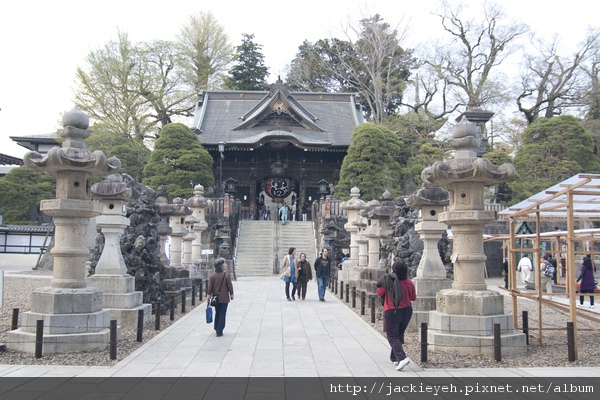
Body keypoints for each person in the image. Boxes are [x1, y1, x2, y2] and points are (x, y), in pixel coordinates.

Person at [376, 259, 417, 371]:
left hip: (392, 310)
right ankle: (394, 358)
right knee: (398, 334)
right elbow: (413, 297)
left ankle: (402, 357)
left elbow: (379, 292)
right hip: (407, 310)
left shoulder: (389, 280)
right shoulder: (409, 282)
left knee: (392, 336)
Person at [207, 257, 234, 337]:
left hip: (216, 298)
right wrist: (231, 294)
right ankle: (220, 330)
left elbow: (210, 287)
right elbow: (230, 286)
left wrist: (208, 296)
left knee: (217, 313)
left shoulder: (213, 276)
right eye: (224, 263)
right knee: (222, 313)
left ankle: (216, 327)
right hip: (224, 298)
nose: (226, 265)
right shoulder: (226, 276)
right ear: (221, 266)